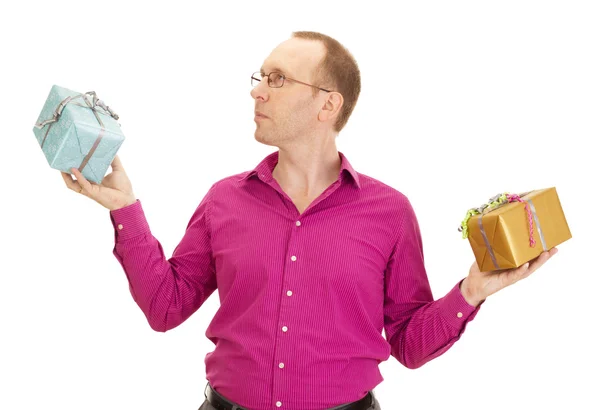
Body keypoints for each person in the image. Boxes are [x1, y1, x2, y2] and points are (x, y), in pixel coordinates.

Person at [60, 31, 558, 410]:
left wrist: (470, 292)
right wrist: (124, 207)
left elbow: (407, 344)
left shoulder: (389, 212)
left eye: (278, 79)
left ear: (328, 104)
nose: (258, 92)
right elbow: (165, 308)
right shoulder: (223, 201)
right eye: (259, 78)